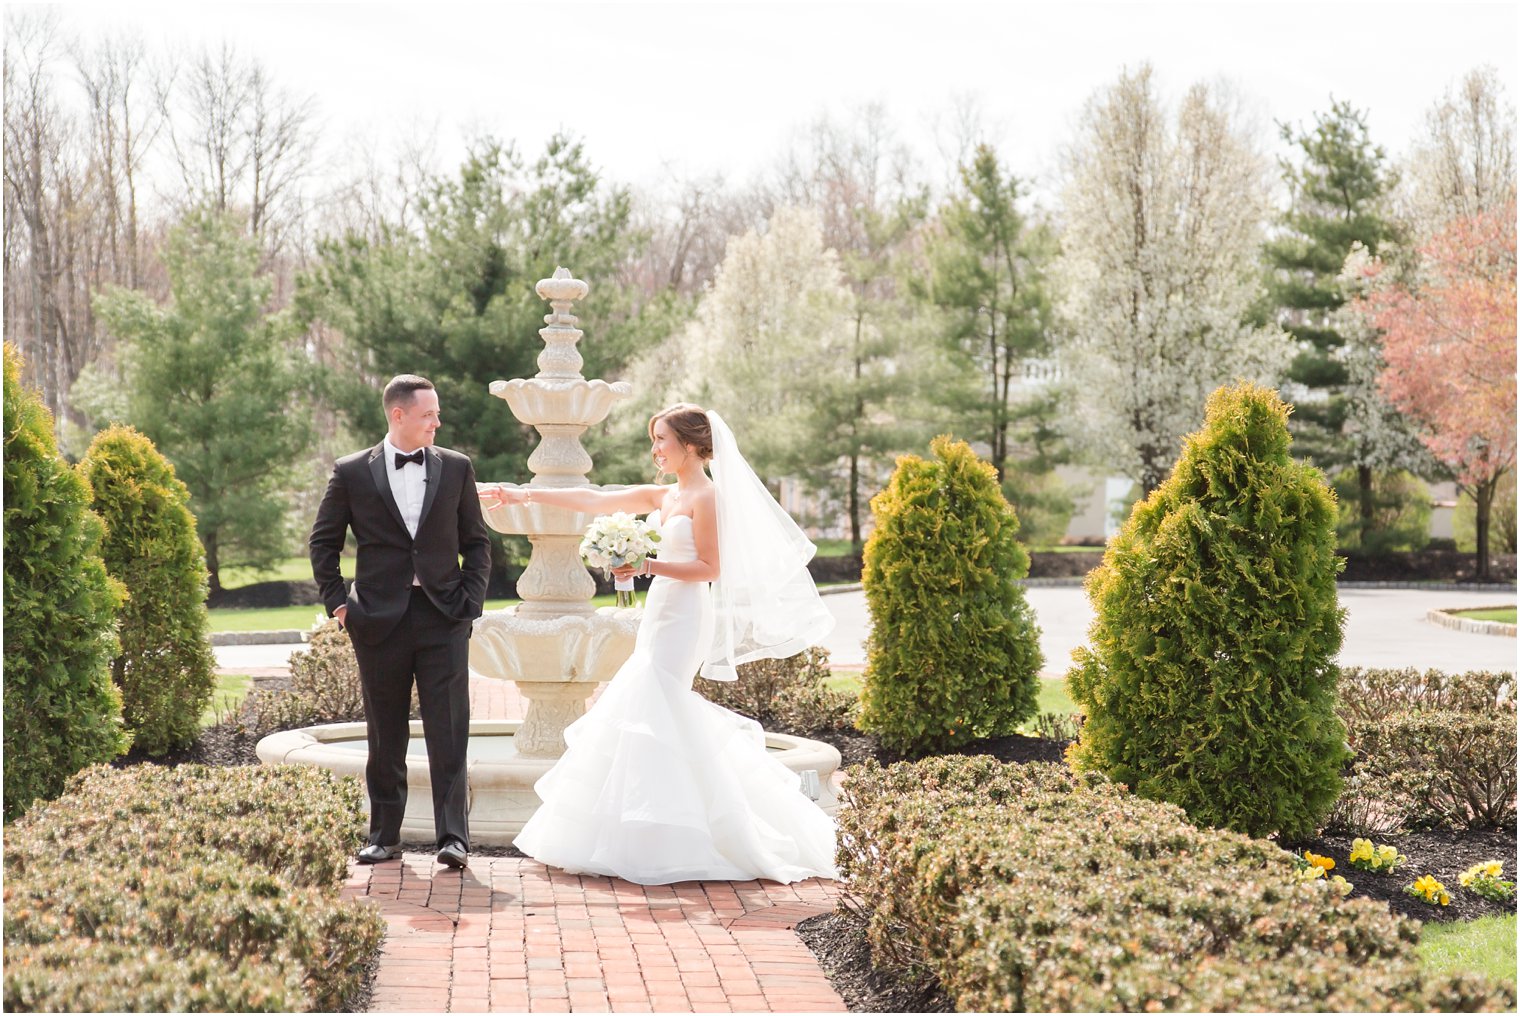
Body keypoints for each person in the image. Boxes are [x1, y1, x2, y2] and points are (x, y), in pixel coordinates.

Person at [481, 403, 838, 885]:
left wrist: (647, 566)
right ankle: (650, 834)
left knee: (652, 699)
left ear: (691, 445)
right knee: (654, 709)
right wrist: (520, 496)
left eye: (661, 440)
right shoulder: (667, 494)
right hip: (661, 611)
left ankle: (697, 832)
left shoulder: (706, 497)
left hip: (686, 614)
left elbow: (710, 570)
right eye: (654, 441)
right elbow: (593, 501)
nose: (655, 450)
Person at [310, 374, 491, 869]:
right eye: (429, 413)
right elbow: (323, 543)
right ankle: (384, 836)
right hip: (377, 620)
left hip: (444, 616)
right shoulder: (351, 472)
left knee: (449, 729)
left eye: (436, 414)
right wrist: (339, 604)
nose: (437, 421)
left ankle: (453, 837)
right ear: (399, 415)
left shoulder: (456, 467)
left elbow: (476, 542)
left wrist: (469, 602)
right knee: (384, 730)